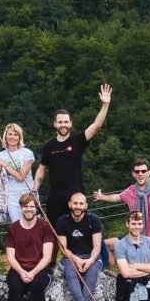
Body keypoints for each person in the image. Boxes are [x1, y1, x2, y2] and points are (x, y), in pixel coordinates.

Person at [34, 83, 112, 228]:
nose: (63, 125)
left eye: (66, 122)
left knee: (78, 234)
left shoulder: (78, 141)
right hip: (55, 198)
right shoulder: (48, 146)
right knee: (52, 235)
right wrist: (34, 189)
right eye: (60, 122)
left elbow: (97, 125)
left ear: (70, 123)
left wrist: (105, 105)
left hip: (76, 197)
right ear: (55, 124)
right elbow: (41, 170)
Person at [3, 191, 56, 301]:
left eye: (32, 207)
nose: (29, 210)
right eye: (26, 207)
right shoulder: (13, 228)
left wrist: (32, 273)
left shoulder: (44, 226)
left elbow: (47, 257)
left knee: (37, 286)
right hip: (19, 267)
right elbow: (10, 257)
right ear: (21, 207)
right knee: (14, 287)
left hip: (40, 268)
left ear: (37, 209)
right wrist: (21, 272)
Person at [55, 191, 104, 301]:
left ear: (85, 205)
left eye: (81, 203)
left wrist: (89, 261)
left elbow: (97, 246)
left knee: (92, 271)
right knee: (71, 271)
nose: (78, 206)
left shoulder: (93, 220)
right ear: (70, 204)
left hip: (91, 255)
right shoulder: (62, 221)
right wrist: (76, 260)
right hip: (70, 256)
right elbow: (63, 248)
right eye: (75, 203)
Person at [0, 122, 36, 226]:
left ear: (19, 137)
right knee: (17, 226)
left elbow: (21, 177)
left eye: (15, 134)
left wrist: (6, 166)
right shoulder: (0, 155)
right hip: (11, 197)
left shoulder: (27, 153)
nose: (13, 137)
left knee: (33, 226)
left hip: (28, 195)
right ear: (5, 136)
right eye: (10, 134)